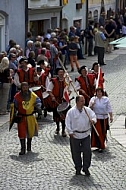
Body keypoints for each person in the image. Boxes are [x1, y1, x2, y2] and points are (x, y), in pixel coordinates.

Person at [65, 95, 96, 175]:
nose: (83, 103)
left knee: (87, 152)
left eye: (84, 101)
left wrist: (92, 120)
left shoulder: (87, 110)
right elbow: (67, 122)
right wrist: (70, 132)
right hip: (75, 135)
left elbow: (93, 116)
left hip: (85, 134)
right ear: (77, 102)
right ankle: (78, 167)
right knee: (76, 152)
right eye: (81, 101)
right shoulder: (71, 112)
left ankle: (86, 168)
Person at [13, 82, 42, 155]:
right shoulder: (17, 96)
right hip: (21, 117)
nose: (25, 87)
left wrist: (38, 106)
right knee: (22, 133)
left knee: (30, 132)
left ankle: (29, 146)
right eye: (23, 86)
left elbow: (38, 101)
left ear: (28, 87)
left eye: (26, 86)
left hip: (30, 117)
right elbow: (14, 105)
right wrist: (14, 113)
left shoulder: (33, 95)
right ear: (21, 87)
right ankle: (23, 149)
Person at [47, 67, 71, 137]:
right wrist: (52, 96)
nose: (61, 74)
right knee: (57, 116)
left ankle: (63, 130)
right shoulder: (53, 81)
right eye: (60, 72)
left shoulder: (66, 81)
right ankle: (57, 128)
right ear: (57, 73)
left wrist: (68, 94)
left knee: (64, 116)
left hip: (64, 101)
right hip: (56, 101)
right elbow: (49, 90)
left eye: (62, 72)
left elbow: (70, 89)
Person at [88, 87, 113, 152]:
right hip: (96, 118)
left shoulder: (106, 99)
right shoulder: (93, 99)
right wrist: (92, 105)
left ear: (102, 93)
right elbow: (89, 109)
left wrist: (111, 116)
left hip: (104, 118)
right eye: (98, 92)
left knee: (103, 132)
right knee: (97, 132)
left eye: (100, 92)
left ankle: (102, 145)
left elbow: (109, 108)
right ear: (96, 93)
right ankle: (97, 145)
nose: (99, 93)